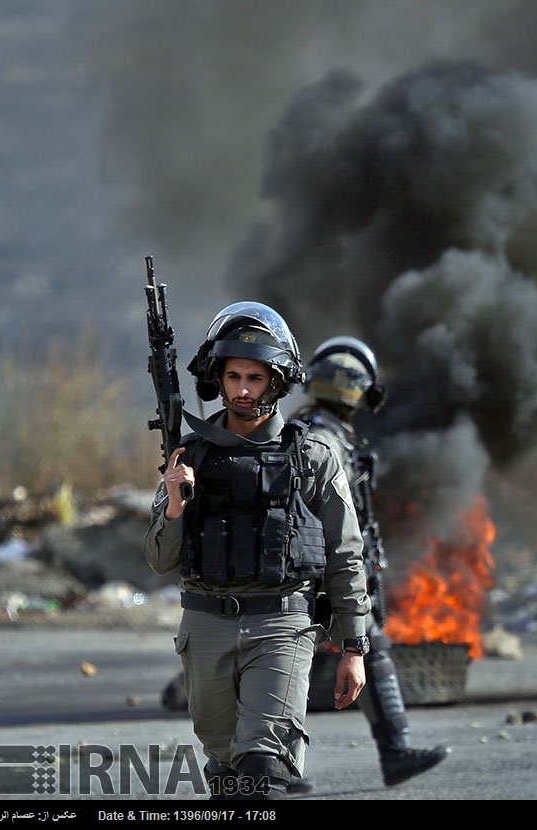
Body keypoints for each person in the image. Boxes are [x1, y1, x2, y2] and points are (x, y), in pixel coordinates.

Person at [144, 302, 372, 800]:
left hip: (282, 624)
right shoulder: (190, 455)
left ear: (277, 381)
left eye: (254, 376)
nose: (242, 389)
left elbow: (345, 556)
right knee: (226, 773)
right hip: (206, 626)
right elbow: (160, 560)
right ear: (217, 379)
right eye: (232, 376)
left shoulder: (312, 457)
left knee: (265, 767)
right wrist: (175, 503)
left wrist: (354, 647)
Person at [288, 335, 450, 790]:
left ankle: (393, 754)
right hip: (318, 571)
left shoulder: (318, 433)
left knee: (347, 650)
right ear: (363, 392)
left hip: (316, 568)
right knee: (286, 659)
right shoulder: (323, 439)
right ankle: (389, 754)